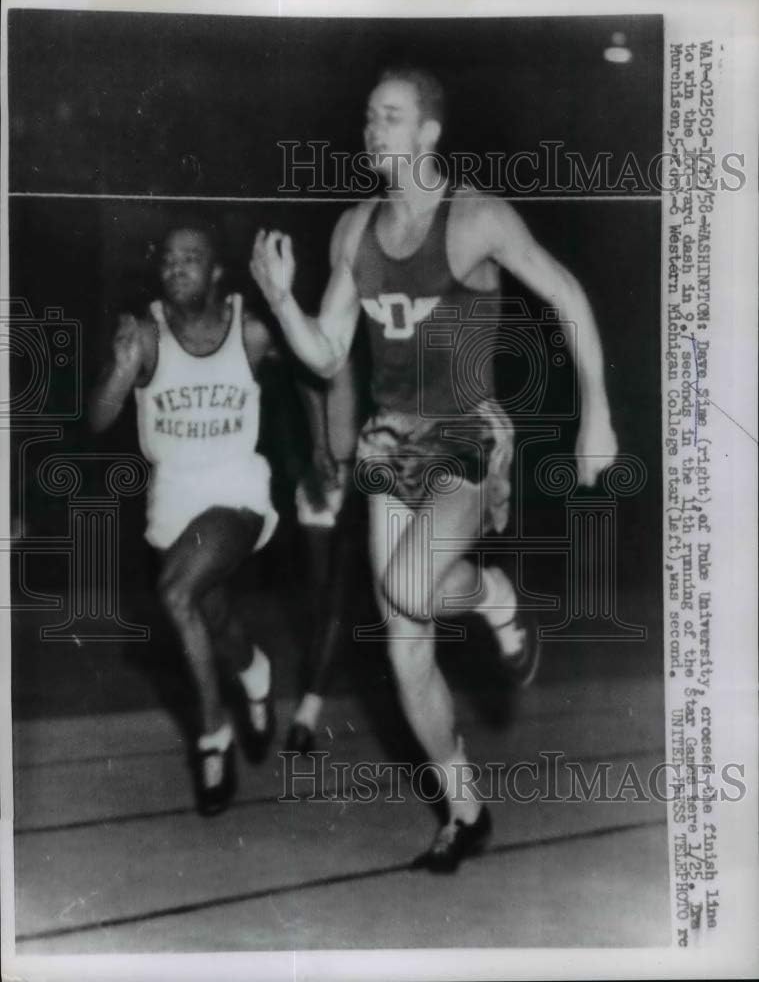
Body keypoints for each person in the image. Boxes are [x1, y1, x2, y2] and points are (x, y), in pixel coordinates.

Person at [250, 67, 618, 871]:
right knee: (403, 646)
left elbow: (569, 298)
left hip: (464, 433)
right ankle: (464, 810)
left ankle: (493, 595)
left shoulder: (475, 217)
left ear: (427, 135)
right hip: (390, 441)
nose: (372, 131)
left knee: (409, 589)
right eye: (368, 117)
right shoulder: (354, 229)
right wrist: (282, 302)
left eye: (390, 117)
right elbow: (324, 351)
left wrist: (596, 411)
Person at [90, 222, 278, 817]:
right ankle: (255, 671)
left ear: (216, 271)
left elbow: (314, 371)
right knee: (212, 616)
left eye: (191, 258)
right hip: (173, 503)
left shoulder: (248, 330)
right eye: (168, 259)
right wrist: (121, 372)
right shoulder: (143, 336)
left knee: (175, 593)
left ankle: (212, 736)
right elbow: (96, 420)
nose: (176, 268)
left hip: (238, 492)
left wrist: (329, 449)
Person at [287, 360, 360, 754]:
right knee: (327, 605)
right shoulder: (309, 348)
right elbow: (288, 413)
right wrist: (306, 463)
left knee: (335, 600)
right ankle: (316, 694)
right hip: (320, 482)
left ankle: (308, 711)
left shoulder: (368, 340)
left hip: (355, 479)